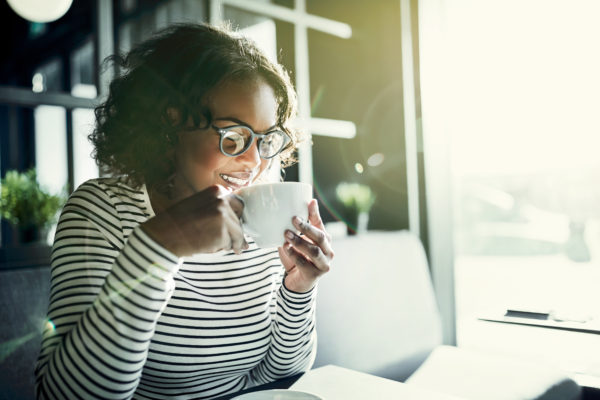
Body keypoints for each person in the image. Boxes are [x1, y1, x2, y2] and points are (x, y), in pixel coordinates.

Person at [35, 23, 334, 400]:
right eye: (234, 137)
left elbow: (279, 374)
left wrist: (298, 288)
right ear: (171, 121)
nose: (254, 162)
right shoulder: (101, 212)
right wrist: (159, 245)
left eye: (265, 140)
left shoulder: (260, 215)